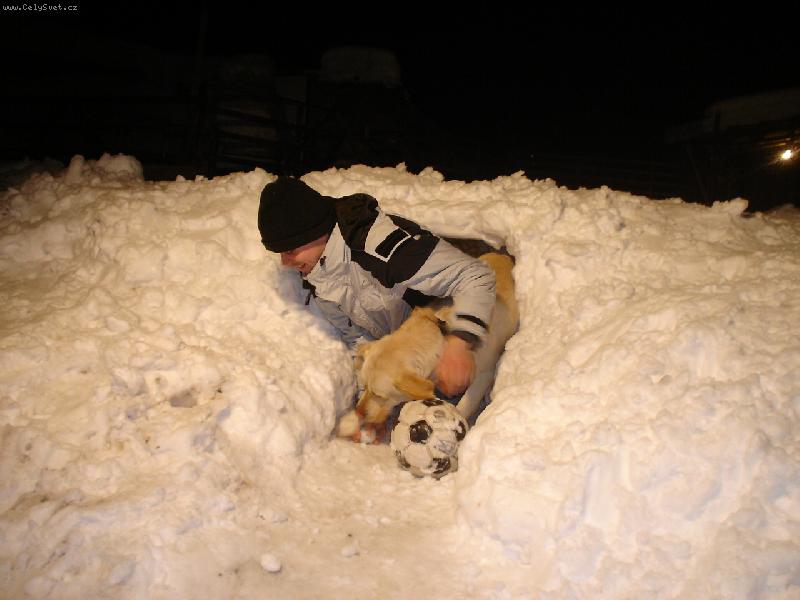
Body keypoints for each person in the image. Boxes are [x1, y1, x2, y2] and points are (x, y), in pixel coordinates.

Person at [257, 176, 496, 397]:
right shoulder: (319, 274)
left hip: (466, 331)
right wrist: (369, 387)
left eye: (289, 250)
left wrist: (459, 344)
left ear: (315, 232)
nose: (285, 263)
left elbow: (475, 276)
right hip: (414, 354)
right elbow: (358, 338)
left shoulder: (382, 250)